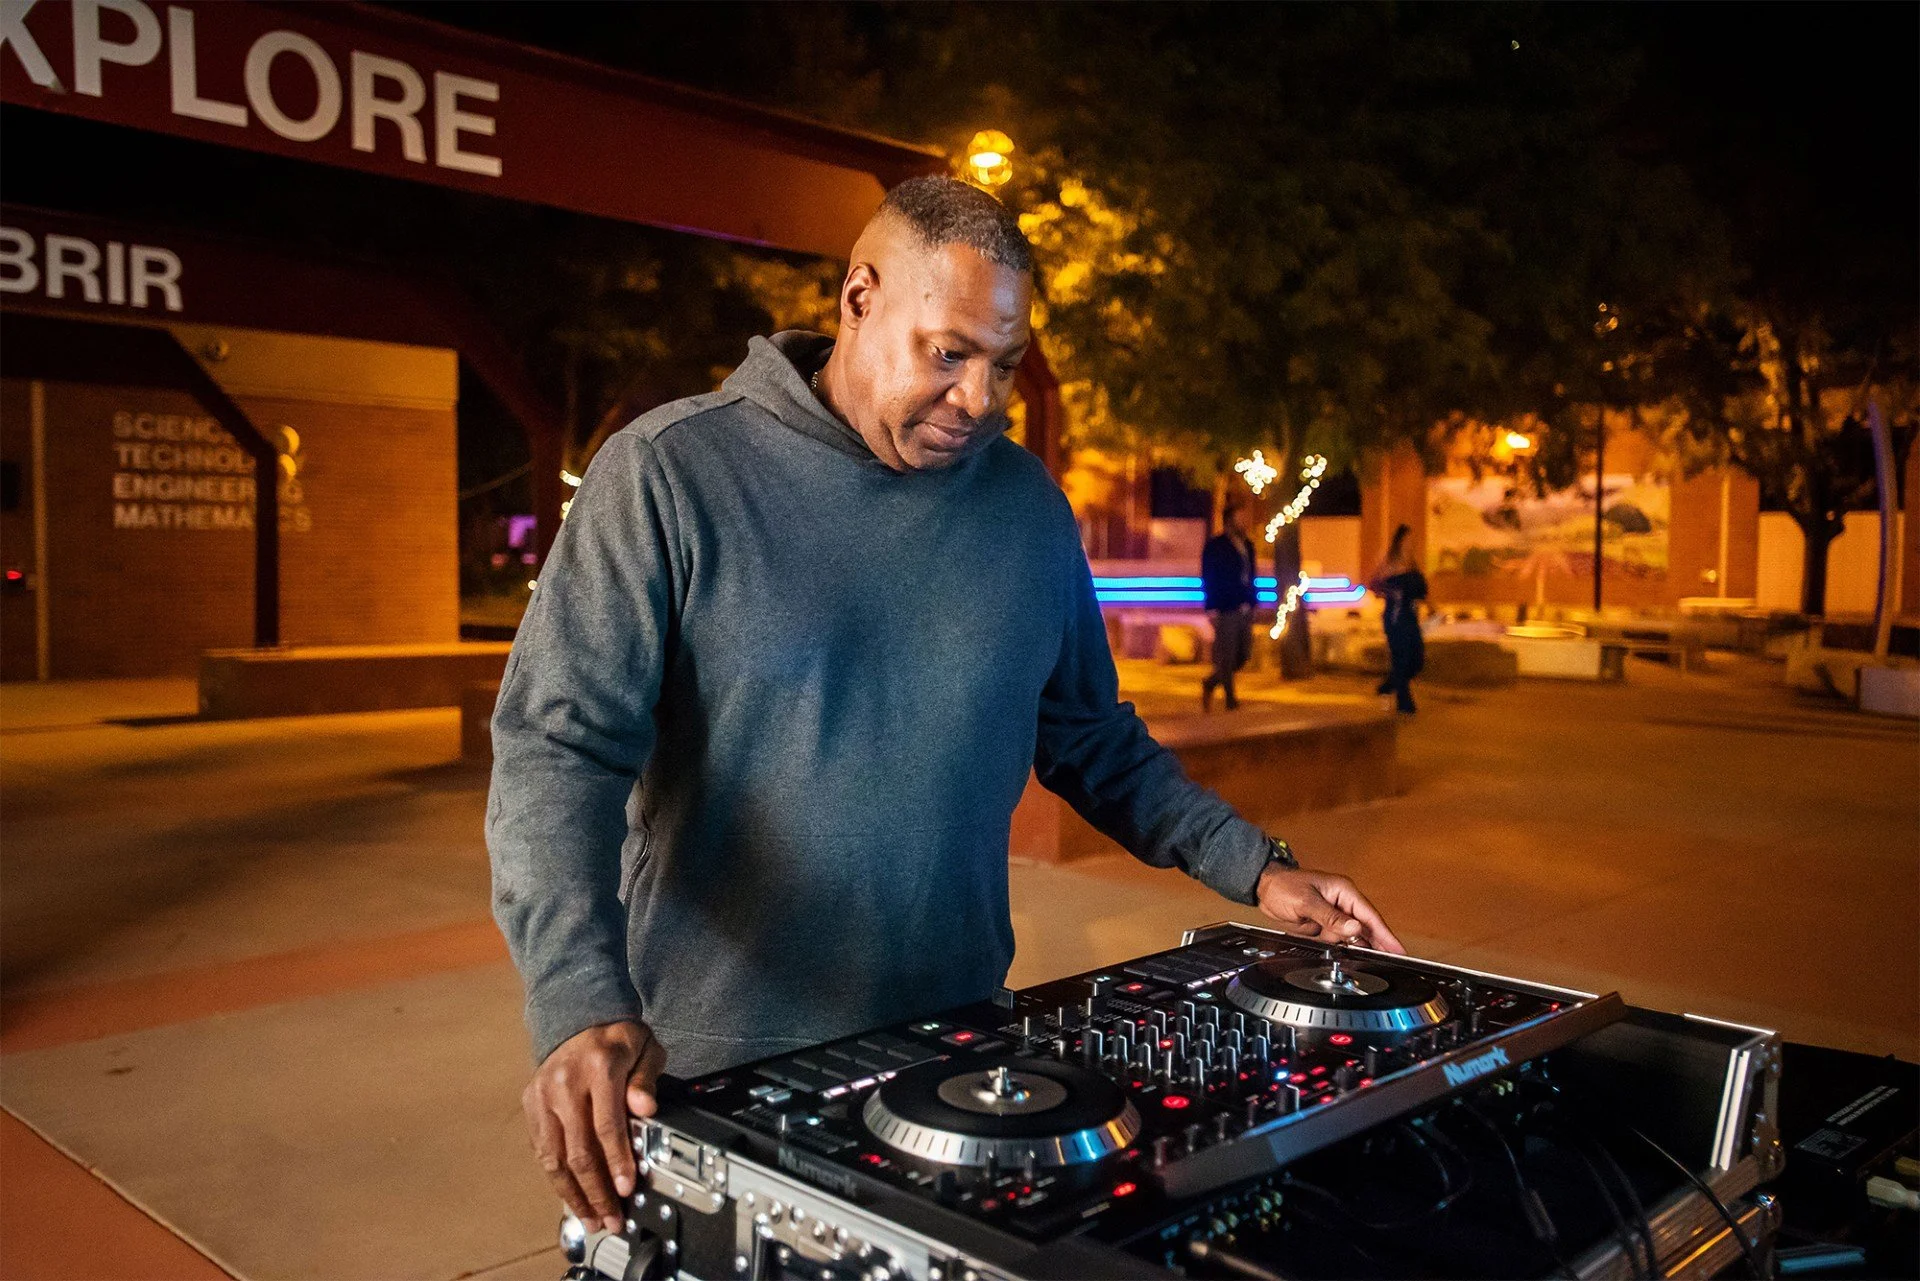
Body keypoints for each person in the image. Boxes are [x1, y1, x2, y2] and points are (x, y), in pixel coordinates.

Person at [487, 176, 1404, 1236]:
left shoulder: (1025, 508)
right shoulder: (671, 475)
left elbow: (1091, 738)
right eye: (949, 353)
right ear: (860, 300)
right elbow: (558, 753)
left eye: (1005, 364)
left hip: (963, 1068)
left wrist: (1257, 865)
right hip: (712, 1071)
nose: (981, 398)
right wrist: (577, 1004)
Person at [1200, 492, 1257, 711]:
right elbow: (1209, 575)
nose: (1244, 521)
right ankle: (1231, 699)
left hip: (1244, 605)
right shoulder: (1216, 546)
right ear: (1229, 520)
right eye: (1239, 517)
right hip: (1226, 606)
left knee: (1243, 655)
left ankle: (1211, 681)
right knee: (1228, 652)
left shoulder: (1248, 545)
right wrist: (1211, 605)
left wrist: (1253, 601)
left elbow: (1251, 575)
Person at [1368, 523, 1428, 714]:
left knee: (1416, 659)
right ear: (1400, 541)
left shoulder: (1413, 564)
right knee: (1401, 658)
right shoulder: (1390, 563)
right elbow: (1374, 585)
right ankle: (1404, 703)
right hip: (1395, 617)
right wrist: (1391, 592)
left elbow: (1420, 592)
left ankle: (1389, 684)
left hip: (1411, 617)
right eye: (1408, 540)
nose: (1412, 543)